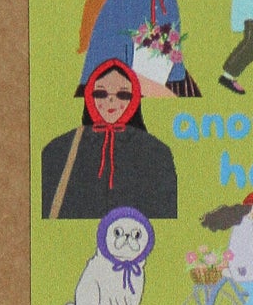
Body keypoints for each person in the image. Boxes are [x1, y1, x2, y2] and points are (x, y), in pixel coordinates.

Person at [42, 60, 179, 221]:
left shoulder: (156, 152)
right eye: (101, 94)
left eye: (123, 95)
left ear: (135, 98)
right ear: (89, 95)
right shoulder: (60, 148)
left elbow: (165, 211)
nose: (111, 100)